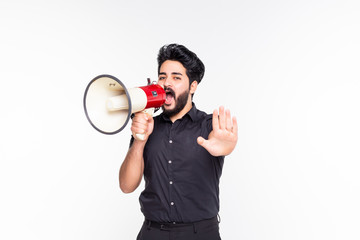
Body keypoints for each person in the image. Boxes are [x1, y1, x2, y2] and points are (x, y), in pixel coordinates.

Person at [119, 43, 238, 240]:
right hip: (152, 233)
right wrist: (140, 140)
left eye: (176, 77)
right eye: (163, 76)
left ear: (193, 86)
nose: (167, 83)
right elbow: (126, 185)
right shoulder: (147, 125)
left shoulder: (210, 126)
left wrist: (227, 146)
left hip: (200, 234)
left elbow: (225, 143)